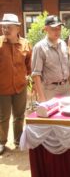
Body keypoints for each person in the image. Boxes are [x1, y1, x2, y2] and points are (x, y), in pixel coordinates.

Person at [0, 13, 32, 154]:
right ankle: (1, 142)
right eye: (3, 27)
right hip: (2, 88)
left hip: (20, 87)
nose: (5, 30)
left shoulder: (25, 44)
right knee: (3, 117)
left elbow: (28, 64)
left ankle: (19, 139)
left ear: (18, 29)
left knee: (19, 115)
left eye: (9, 27)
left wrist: (28, 78)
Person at [32, 15, 70, 102]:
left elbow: (68, 67)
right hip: (49, 90)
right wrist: (41, 97)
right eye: (53, 29)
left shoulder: (63, 44)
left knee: (65, 114)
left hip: (65, 88)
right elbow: (36, 75)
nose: (57, 31)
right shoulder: (39, 47)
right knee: (51, 115)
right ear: (46, 29)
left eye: (59, 28)